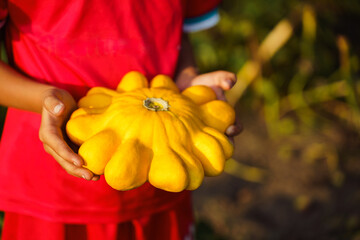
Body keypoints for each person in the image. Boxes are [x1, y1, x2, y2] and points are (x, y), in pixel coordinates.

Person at [0, 0, 241, 239]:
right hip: (48, 190)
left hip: (162, 185)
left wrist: (187, 78)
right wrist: (43, 99)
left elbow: (178, 32)